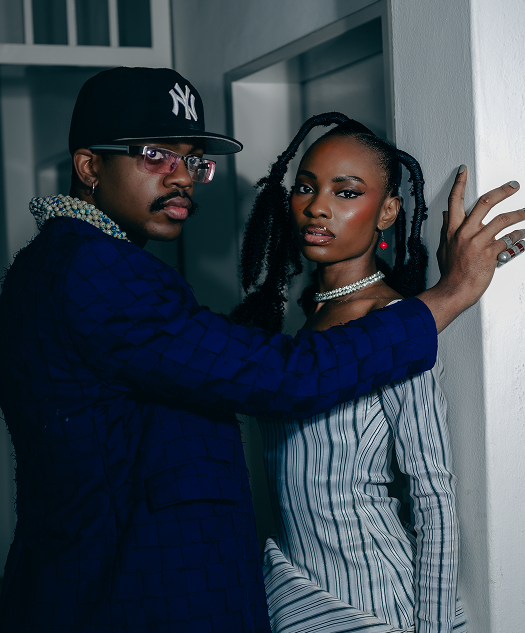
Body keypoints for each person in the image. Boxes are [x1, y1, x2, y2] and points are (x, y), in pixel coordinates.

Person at [0, 69, 521, 633]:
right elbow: (285, 377)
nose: (182, 177)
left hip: (337, 602)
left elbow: (432, 493)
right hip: (131, 600)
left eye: (193, 160)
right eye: (155, 155)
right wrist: (448, 294)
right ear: (89, 167)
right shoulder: (98, 270)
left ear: (388, 210)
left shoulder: (58, 265)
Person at [231, 112, 487, 633]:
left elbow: (433, 495)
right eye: (306, 187)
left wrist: (434, 629)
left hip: (378, 607)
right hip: (298, 597)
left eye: (346, 192)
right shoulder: (303, 324)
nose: (317, 207)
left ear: (388, 211)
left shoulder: (394, 326)